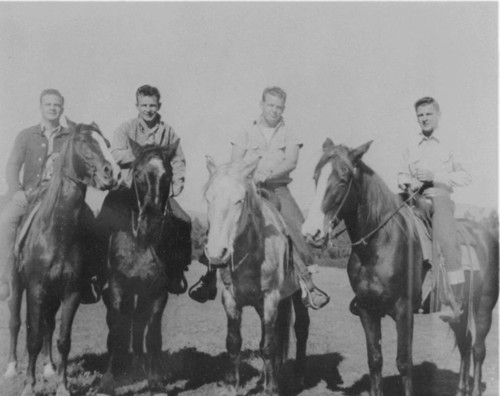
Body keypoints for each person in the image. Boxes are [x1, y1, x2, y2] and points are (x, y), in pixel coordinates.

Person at [189, 86, 330, 309]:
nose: (274, 110)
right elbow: (236, 161)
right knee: (222, 218)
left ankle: (307, 283)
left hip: (277, 188)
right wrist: (248, 176)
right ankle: (209, 275)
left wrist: (269, 174)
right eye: (270, 105)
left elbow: (291, 162)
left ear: (283, 109)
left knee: (296, 226)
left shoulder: (290, 133)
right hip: (247, 188)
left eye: (279, 107)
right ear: (261, 105)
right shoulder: (245, 131)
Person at [0, 89, 95, 302]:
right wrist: (16, 191)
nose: (52, 108)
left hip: (62, 196)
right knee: (5, 221)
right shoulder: (26, 135)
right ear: (40, 107)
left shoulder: (70, 136)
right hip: (30, 194)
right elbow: (13, 165)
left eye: (56, 105)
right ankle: (3, 276)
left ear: (62, 108)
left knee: (91, 223)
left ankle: (88, 279)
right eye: (48, 104)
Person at [103, 84, 192, 294]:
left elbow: (178, 159)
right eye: (144, 105)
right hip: (128, 189)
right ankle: (100, 273)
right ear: (137, 105)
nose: (148, 109)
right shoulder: (125, 129)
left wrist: (178, 182)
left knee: (184, 221)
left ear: (159, 105)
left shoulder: (168, 131)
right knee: (103, 219)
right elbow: (116, 153)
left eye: (152, 105)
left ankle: (177, 272)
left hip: (157, 192)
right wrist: (145, 157)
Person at [398, 96, 471, 323]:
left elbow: (465, 176)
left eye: (428, 114)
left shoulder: (450, 142)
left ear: (438, 115)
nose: (424, 119)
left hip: (439, 197)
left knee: (447, 239)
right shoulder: (411, 143)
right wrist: (405, 182)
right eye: (420, 115)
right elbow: (402, 172)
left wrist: (434, 177)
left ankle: (455, 300)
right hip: (413, 198)